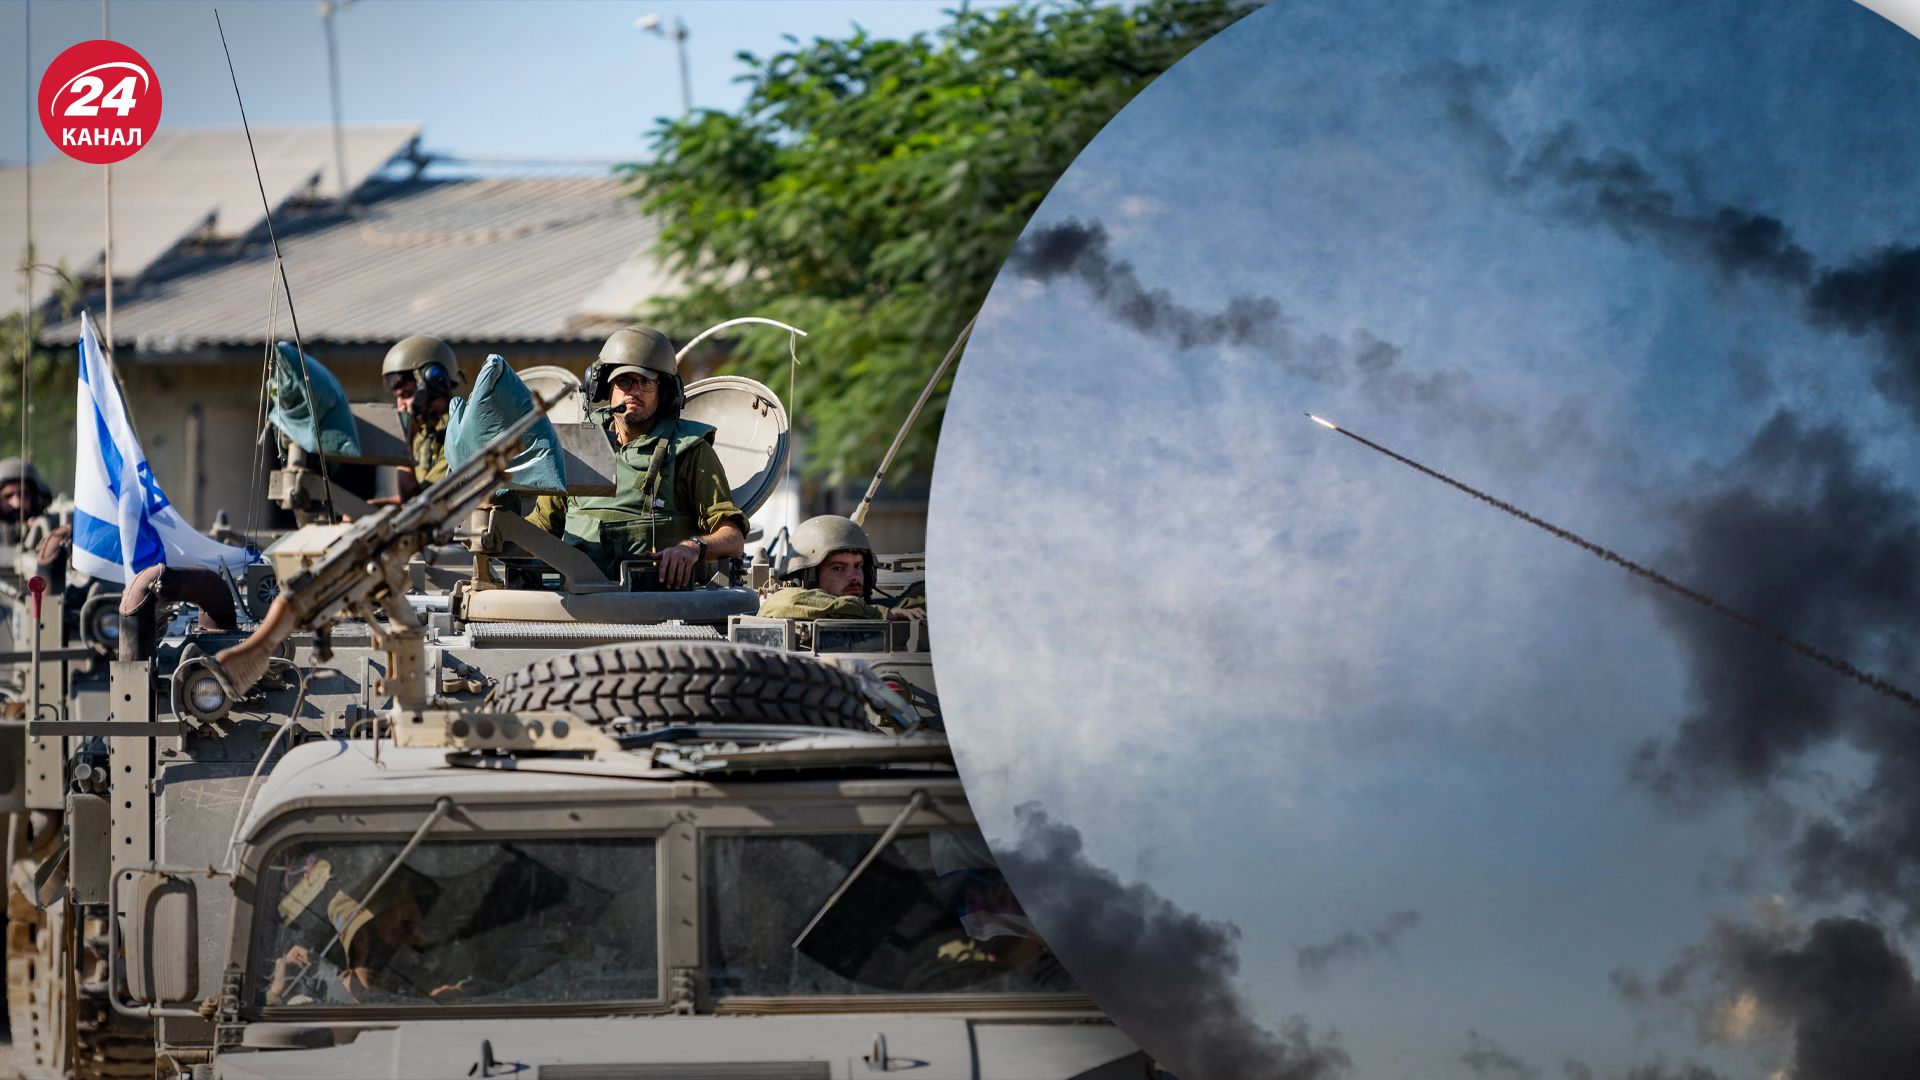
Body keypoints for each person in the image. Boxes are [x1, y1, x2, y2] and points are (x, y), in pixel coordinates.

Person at [528, 326, 744, 587]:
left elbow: (732, 536)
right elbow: (540, 527)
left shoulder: (689, 450)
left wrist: (692, 547)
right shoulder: (577, 445)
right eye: (624, 381)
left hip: (659, 606)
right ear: (604, 388)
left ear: (663, 392)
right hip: (577, 602)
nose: (634, 391)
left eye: (645, 382)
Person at [757, 514, 924, 621]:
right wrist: (881, 614)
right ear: (807, 577)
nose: (854, 576)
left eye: (858, 566)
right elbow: (786, 600)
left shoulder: (878, 609)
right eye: (838, 568)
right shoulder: (786, 605)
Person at [380, 335, 462, 499]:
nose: (400, 406)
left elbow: (414, 499)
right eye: (397, 397)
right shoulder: (423, 434)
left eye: (407, 394)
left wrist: (404, 445)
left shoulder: (456, 435)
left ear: (433, 382)